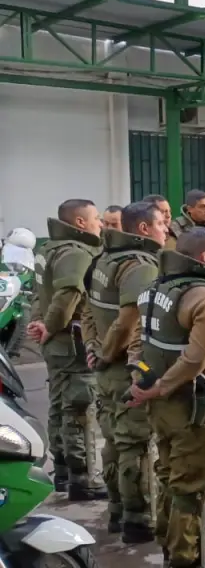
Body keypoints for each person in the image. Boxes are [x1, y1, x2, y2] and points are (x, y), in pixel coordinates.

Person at [126, 227, 205, 568]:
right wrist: (161, 386)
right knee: (191, 488)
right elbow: (197, 358)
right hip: (194, 408)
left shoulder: (154, 290)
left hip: (162, 409)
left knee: (170, 476)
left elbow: (139, 345)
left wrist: (141, 378)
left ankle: (168, 546)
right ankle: (187, 559)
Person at [82, 201, 165, 541]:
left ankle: (116, 509)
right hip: (123, 367)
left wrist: (91, 347)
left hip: (104, 367)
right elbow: (128, 322)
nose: (166, 229)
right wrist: (103, 353)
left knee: (113, 440)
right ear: (143, 229)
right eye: (161, 222)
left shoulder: (104, 258)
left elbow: (88, 309)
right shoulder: (140, 266)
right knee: (135, 444)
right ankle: (138, 519)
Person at [26, 199, 107, 500]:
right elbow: (69, 293)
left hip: (55, 344)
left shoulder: (47, 249)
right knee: (79, 409)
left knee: (59, 404)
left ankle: (61, 470)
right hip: (72, 342)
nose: (100, 223)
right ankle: (83, 479)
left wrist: (40, 323)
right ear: (80, 223)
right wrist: (49, 325)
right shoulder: (75, 252)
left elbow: (38, 292)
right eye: (96, 218)